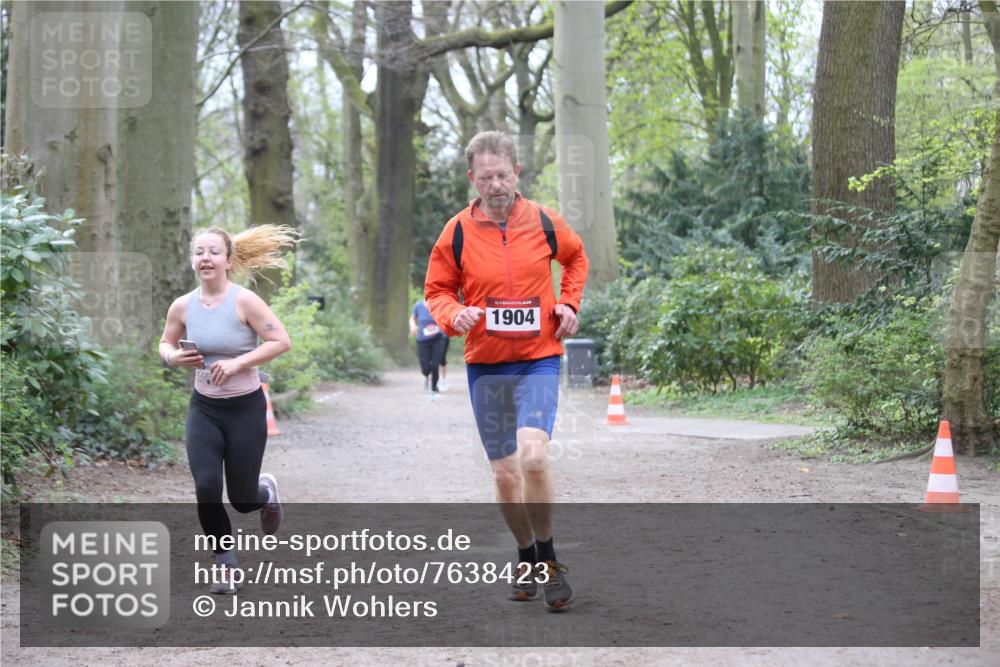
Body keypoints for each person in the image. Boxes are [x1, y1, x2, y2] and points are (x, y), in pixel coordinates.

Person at [425, 130, 588, 611]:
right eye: (485, 176)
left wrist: (568, 303)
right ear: (471, 178)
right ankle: (524, 554)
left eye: (503, 174)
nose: (495, 184)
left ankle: (549, 559)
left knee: (533, 458)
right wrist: (457, 316)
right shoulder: (455, 232)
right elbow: (437, 291)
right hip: (488, 366)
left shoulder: (543, 221)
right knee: (503, 477)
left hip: (538, 357)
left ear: (517, 173)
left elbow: (576, 258)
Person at [159, 225, 297, 594]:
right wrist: (174, 357)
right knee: (206, 487)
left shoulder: (244, 301)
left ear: (228, 261)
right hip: (203, 408)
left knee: (242, 499)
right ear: (193, 260)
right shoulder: (182, 305)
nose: (205, 257)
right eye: (199, 252)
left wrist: (238, 364)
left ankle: (266, 493)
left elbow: (280, 340)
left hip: (245, 409)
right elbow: (165, 343)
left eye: (213, 252)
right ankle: (227, 566)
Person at [409, 298, 448, 397]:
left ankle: (434, 386)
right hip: (422, 340)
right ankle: (426, 376)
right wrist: (413, 326)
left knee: (435, 365)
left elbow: (446, 319)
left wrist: (438, 327)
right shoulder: (418, 305)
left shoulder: (439, 304)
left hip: (438, 339)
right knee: (425, 367)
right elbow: (412, 318)